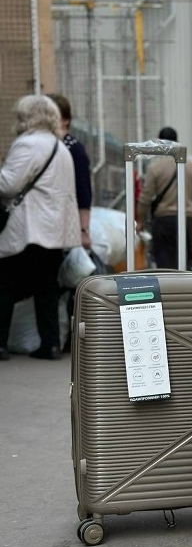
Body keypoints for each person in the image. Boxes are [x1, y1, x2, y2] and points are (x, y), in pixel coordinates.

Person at [0, 94, 81, 360]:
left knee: (5, 283)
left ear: (27, 117)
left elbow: (8, 185)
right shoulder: (60, 147)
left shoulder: (28, 144)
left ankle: (0, 343)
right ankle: (51, 344)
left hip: (29, 228)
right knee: (46, 287)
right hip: (55, 229)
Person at [136, 126, 192, 269]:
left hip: (163, 220)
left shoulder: (155, 167)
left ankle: (167, 283)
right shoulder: (191, 165)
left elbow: (145, 197)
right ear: (177, 141)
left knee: (164, 263)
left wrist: (141, 219)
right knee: (185, 261)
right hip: (186, 219)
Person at [47, 94, 92, 250]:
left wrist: (83, 229)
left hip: (65, 222)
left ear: (65, 120)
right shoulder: (46, 145)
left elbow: (83, 190)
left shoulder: (73, 149)